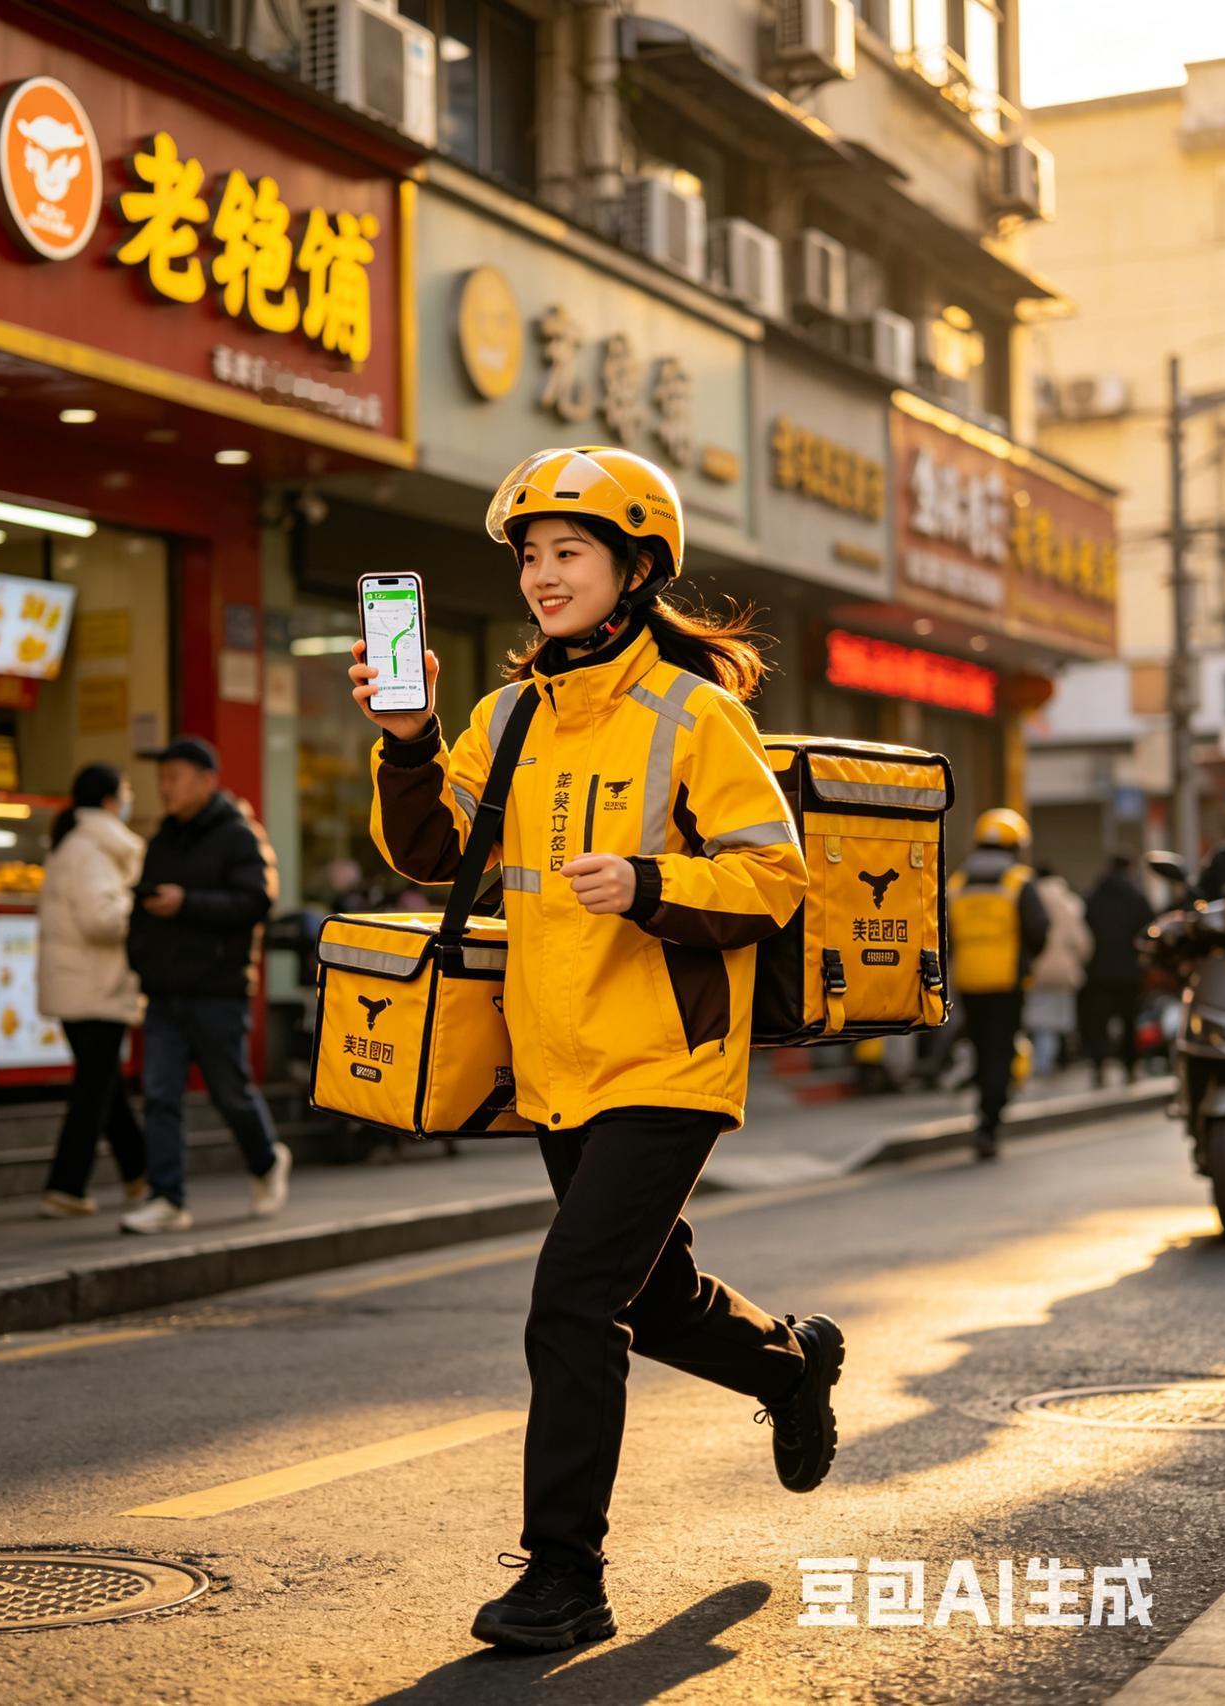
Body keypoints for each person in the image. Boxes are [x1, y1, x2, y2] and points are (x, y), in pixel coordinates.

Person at [349, 446, 844, 1654]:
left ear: (635, 569)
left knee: (571, 1298)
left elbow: (774, 873)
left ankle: (564, 1573)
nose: (540, 574)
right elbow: (427, 853)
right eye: (528, 554)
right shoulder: (504, 713)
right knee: (651, 1294)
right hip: (554, 1061)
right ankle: (790, 1365)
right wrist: (409, 738)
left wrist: (649, 880)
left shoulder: (693, 711)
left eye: (568, 551)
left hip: (667, 1062)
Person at [122, 736, 290, 1234]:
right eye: (162, 779)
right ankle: (167, 1198)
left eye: (173, 778)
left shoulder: (239, 835)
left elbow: (257, 903)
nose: (165, 788)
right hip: (165, 991)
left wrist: (188, 902)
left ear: (206, 781)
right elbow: (142, 909)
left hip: (217, 989)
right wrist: (142, 959)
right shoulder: (163, 838)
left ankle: (266, 1162)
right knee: (160, 1095)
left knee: (229, 1092)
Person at [36, 763, 147, 1217]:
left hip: (79, 985)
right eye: (124, 791)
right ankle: (65, 1186)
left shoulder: (76, 845)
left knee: (105, 1087)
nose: (128, 799)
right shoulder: (93, 850)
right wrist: (142, 909)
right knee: (94, 1090)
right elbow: (101, 920)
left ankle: (140, 1175)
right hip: (95, 987)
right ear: (107, 800)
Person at [948, 809, 1050, 1161]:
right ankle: (989, 1121)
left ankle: (983, 1111)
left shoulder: (957, 883)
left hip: (968, 981)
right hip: (1006, 982)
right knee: (1000, 1053)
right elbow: (1039, 929)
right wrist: (1025, 959)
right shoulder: (1018, 881)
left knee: (980, 1049)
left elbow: (943, 933)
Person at [1082, 852, 1155, 1087]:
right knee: (1129, 1020)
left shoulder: (1093, 896)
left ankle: (1098, 1066)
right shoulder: (1136, 897)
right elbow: (1149, 932)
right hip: (1129, 971)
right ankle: (1130, 1067)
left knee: (1098, 1021)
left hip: (1098, 970)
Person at [1024, 864, 1092, 1076]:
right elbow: (1082, 942)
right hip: (1062, 970)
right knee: (1054, 1024)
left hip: (1032, 968)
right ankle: (1044, 1065)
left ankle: (1036, 1064)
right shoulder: (1068, 902)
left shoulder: (1028, 897)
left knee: (1035, 1022)